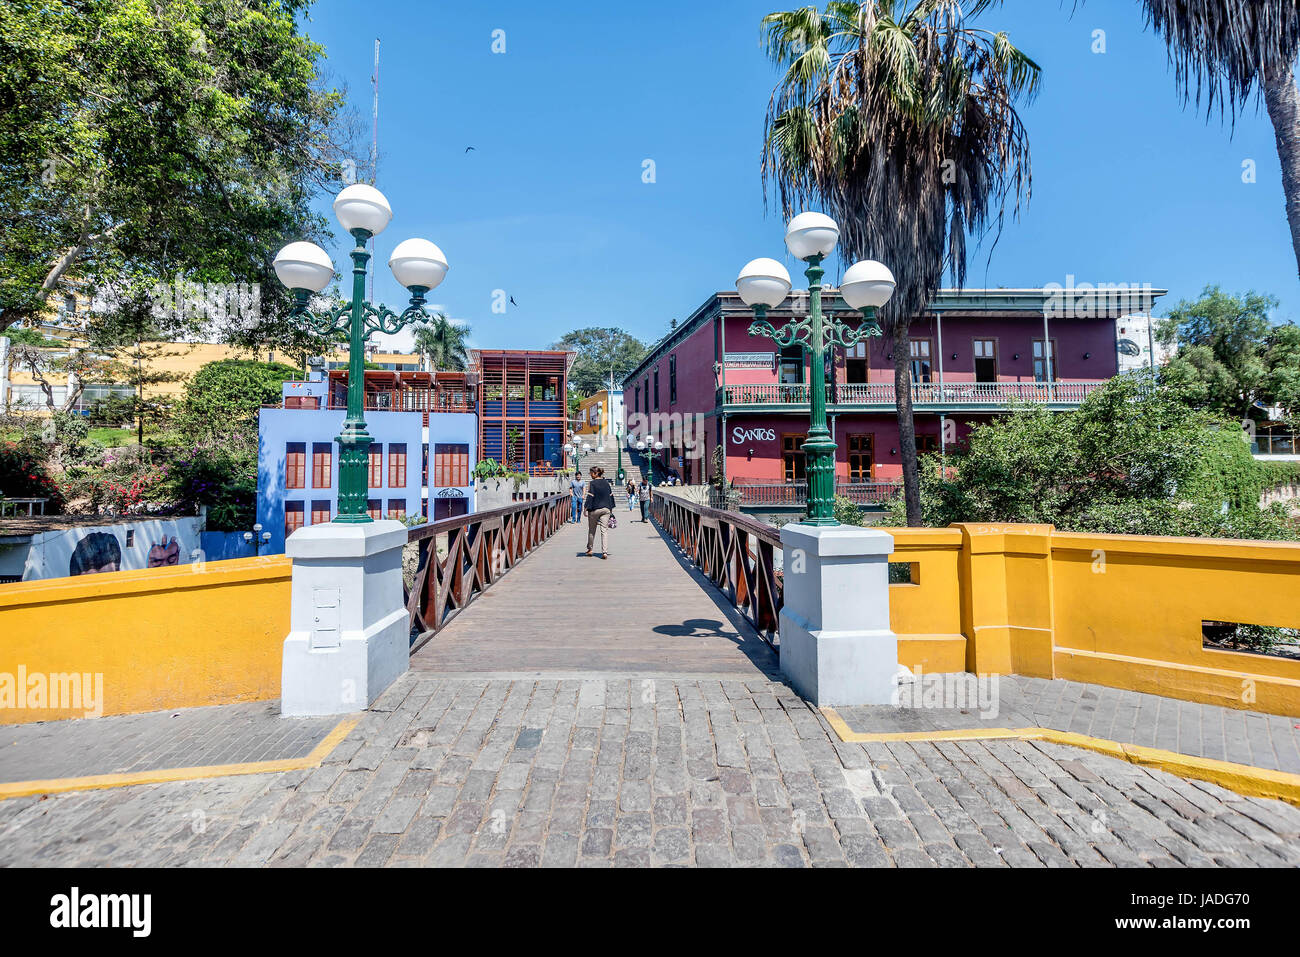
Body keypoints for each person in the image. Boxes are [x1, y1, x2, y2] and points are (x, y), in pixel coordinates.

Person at [584, 465, 615, 559]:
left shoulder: (592, 483)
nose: (590, 475)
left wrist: (585, 508)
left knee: (592, 530)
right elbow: (611, 496)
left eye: (591, 473)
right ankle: (605, 552)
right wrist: (611, 509)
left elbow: (590, 496)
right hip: (606, 509)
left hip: (594, 509)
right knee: (604, 531)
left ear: (595, 473)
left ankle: (590, 549)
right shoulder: (606, 483)